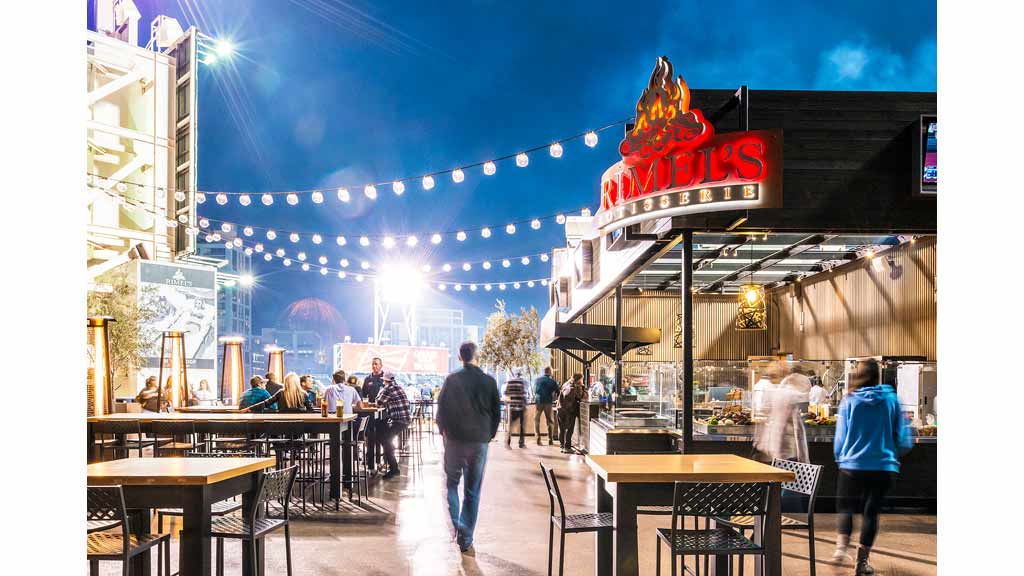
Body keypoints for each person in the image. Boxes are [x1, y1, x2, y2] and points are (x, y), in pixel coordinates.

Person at [831, 359, 912, 574]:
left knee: (846, 508)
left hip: (851, 466)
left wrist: (841, 458)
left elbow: (840, 437)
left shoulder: (849, 400)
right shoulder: (891, 399)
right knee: (871, 513)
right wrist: (893, 452)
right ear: (879, 376)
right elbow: (903, 438)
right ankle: (861, 563)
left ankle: (840, 550)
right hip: (883, 467)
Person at [436, 341, 501, 556]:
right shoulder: (489, 381)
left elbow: (441, 409)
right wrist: (489, 435)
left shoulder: (452, 379)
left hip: (455, 440)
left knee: (452, 485)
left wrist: (444, 432)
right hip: (479, 441)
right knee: (472, 491)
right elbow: (496, 412)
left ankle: (458, 526)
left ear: (460, 356)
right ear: (476, 356)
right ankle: (465, 537)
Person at [754, 367, 810, 463]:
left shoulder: (777, 393)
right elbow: (798, 430)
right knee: (784, 471)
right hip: (786, 449)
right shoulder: (792, 396)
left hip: (771, 447)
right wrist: (804, 459)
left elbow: (768, 418)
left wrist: (760, 442)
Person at [374, 371, 411, 479]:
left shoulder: (388, 389)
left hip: (399, 420)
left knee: (385, 440)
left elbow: (378, 402)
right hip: (404, 419)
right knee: (384, 436)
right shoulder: (398, 387)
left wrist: (381, 391)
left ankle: (394, 468)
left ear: (385, 380)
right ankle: (389, 453)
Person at [556, 373, 586, 453]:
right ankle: (567, 447)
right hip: (568, 411)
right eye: (582, 379)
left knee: (562, 429)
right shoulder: (572, 387)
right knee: (569, 429)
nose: (582, 381)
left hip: (560, 409)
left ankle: (562, 446)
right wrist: (582, 388)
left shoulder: (566, 384)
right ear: (579, 379)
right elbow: (579, 396)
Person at [532, 367, 559, 446]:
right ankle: (550, 440)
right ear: (550, 372)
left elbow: (534, 390)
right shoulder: (552, 381)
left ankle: (538, 439)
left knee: (536, 420)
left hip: (538, 402)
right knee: (550, 421)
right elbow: (558, 391)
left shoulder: (537, 380)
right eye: (552, 371)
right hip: (548, 402)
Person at [503, 372, 527, 449]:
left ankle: (508, 442)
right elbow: (523, 394)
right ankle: (521, 443)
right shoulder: (521, 382)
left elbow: (506, 393)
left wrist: (509, 401)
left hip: (512, 406)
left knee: (511, 425)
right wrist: (525, 404)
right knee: (522, 425)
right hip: (520, 406)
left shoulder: (510, 382)